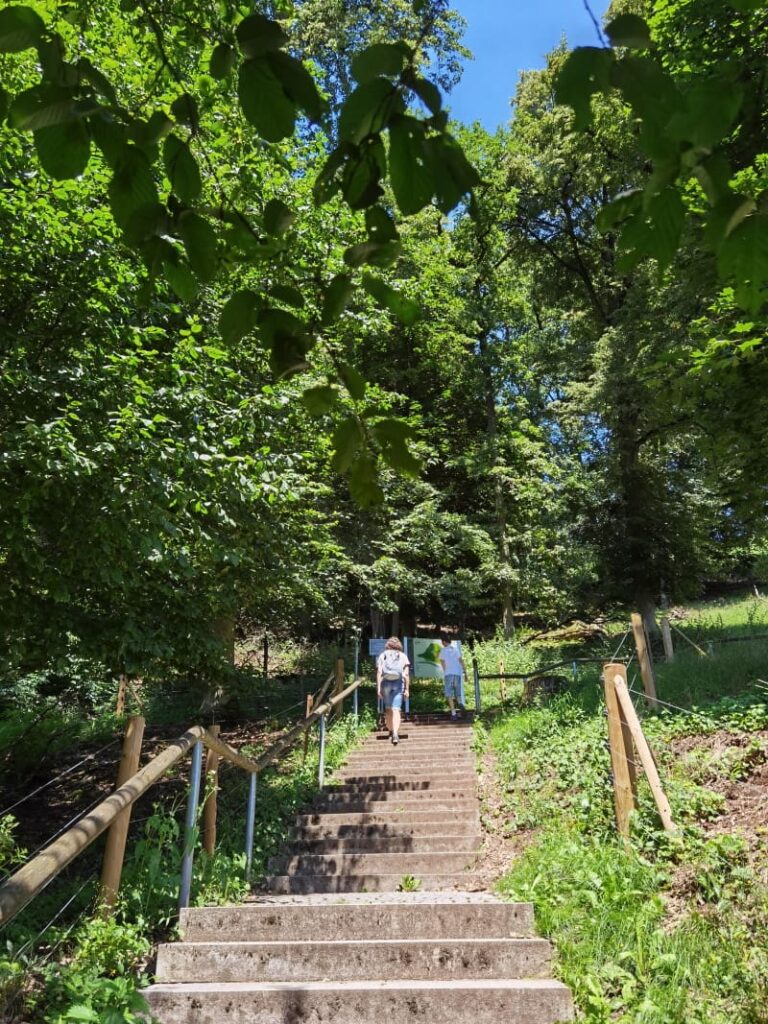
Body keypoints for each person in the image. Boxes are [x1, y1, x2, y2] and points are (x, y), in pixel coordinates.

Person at [376, 637, 410, 745]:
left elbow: (379, 672)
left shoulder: (383, 655)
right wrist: (407, 689)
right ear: (399, 645)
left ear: (388, 645)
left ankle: (390, 730)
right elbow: (406, 674)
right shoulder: (403, 656)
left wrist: (378, 688)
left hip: (386, 683)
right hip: (398, 683)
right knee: (396, 709)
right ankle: (395, 733)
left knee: (388, 709)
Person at [439, 636, 467, 719]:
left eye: (442, 642)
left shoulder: (443, 650)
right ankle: (460, 704)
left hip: (449, 674)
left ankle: (454, 714)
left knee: (449, 695)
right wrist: (465, 672)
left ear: (444, 642)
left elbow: (442, 662)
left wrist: (445, 671)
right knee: (457, 694)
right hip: (457, 674)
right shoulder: (455, 649)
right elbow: (461, 660)